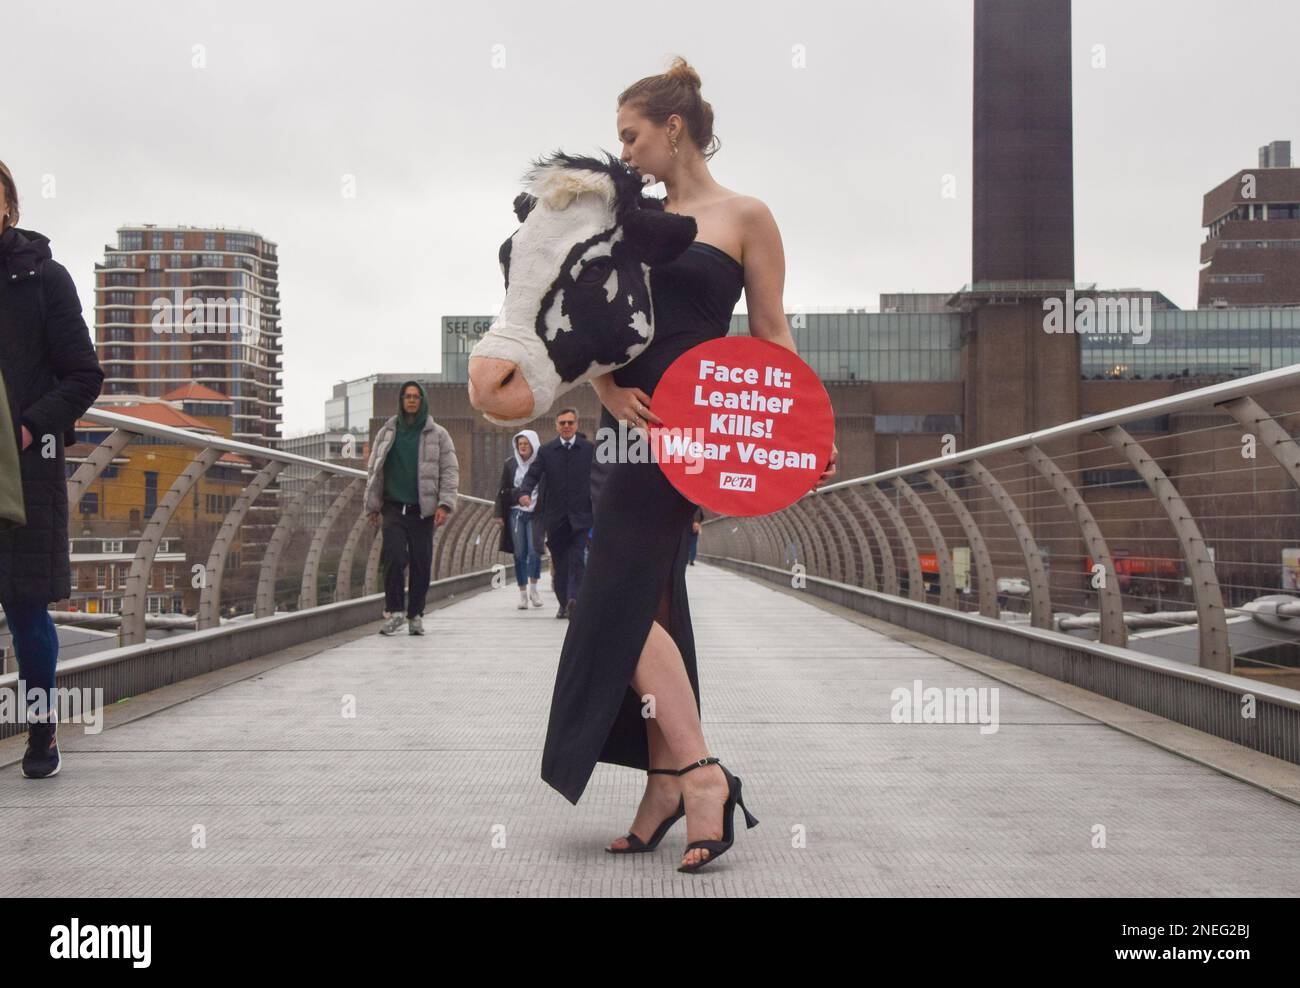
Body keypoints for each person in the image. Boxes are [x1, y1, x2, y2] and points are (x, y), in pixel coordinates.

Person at [538, 58, 838, 873]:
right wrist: (604, 387)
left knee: (615, 594)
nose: (624, 152)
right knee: (648, 594)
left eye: (631, 135)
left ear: (675, 129)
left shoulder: (747, 216)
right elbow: (585, 321)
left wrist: (806, 427)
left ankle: (698, 775)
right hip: (638, 428)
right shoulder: (627, 221)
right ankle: (669, 782)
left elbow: (772, 332)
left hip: (702, 429)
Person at [0, 159, 106, 778]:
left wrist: (28, 424)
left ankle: (41, 734)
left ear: (10, 205)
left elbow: (84, 375)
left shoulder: (44, 278)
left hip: (26, 469)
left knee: (26, 605)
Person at [363, 381, 460, 636]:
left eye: (416, 396)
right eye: (407, 396)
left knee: (421, 562)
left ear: (422, 400)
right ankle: (395, 612)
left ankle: (415, 614)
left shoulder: (438, 434)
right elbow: (374, 469)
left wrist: (445, 504)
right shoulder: (387, 432)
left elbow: (450, 471)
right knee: (394, 558)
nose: (412, 400)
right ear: (401, 400)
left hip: (423, 511)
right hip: (393, 508)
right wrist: (372, 505)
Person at [516, 409, 594, 619]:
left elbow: (600, 478)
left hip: (581, 516)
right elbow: (533, 474)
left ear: (577, 424)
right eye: (562, 423)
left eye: (570, 422)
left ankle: (574, 599)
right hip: (556, 517)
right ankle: (563, 602)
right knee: (560, 563)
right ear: (556, 426)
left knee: (578, 558)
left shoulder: (589, 449)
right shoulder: (547, 451)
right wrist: (524, 492)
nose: (566, 426)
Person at [493, 429, 545, 610]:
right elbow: (502, 490)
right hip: (516, 513)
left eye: (526, 444)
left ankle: (534, 589)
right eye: (520, 444)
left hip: (536, 513)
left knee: (534, 551)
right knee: (519, 553)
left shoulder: (541, 464)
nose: (522, 447)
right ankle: (522, 593)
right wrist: (498, 513)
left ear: (533, 445)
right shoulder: (510, 464)